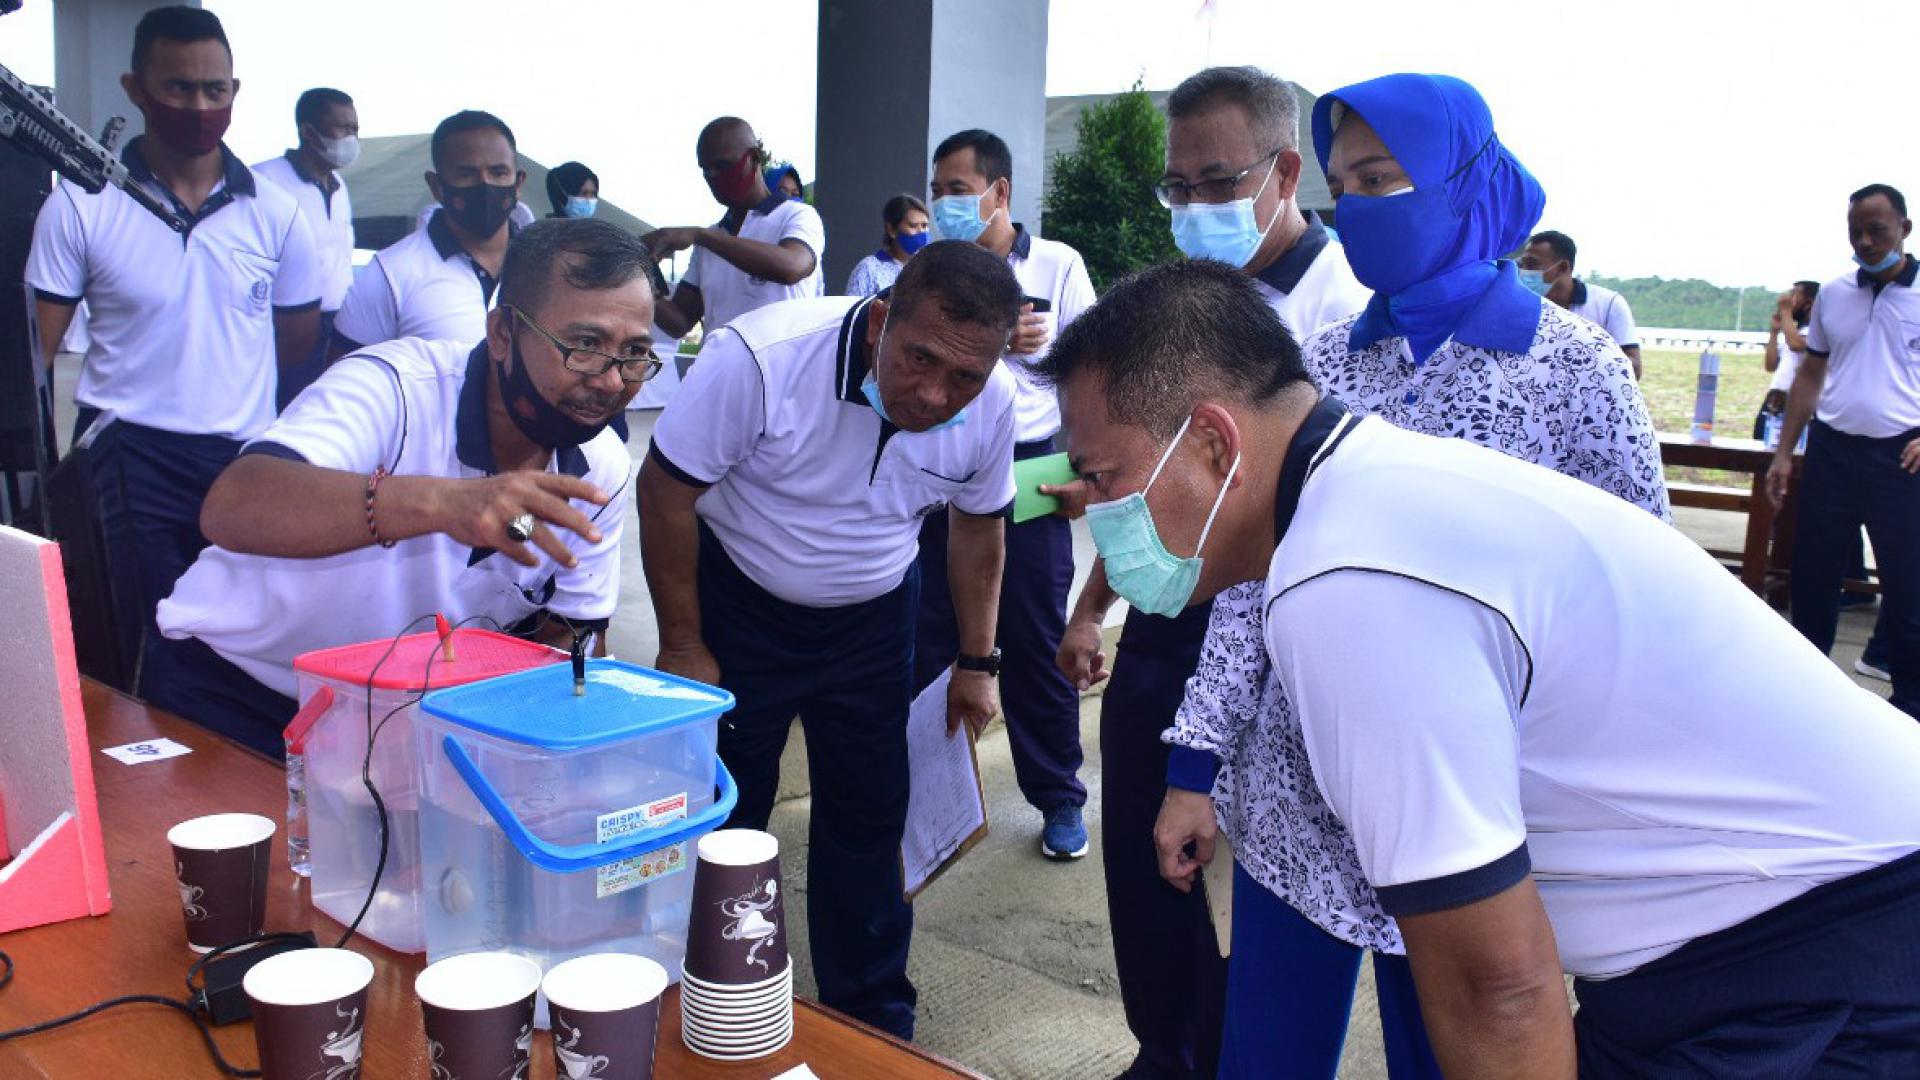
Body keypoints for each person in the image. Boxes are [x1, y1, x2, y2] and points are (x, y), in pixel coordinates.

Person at [1053, 257, 1920, 1077]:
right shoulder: (1370, 483)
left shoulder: (1350, 583)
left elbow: (1497, 990)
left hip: (1825, 941)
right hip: (1781, 918)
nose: (1094, 509)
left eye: (1102, 475)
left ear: (1213, 442)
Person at [1147, 74, 1670, 1079]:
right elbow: (1253, 585)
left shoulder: (1574, 370)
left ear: (1465, 182)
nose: (1359, 210)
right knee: (1265, 1059)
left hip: (1472, 824)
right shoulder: (1319, 367)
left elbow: (1633, 605)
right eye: (1345, 187)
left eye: (1384, 179)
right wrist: (1193, 769)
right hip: (1298, 804)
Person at [1055, 64, 1369, 1080]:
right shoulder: (1180, 306)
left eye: (1217, 183)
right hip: (1169, 617)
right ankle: (1164, 1048)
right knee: (1145, 861)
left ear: (1284, 173)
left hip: (1274, 636)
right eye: (1177, 188)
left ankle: (1222, 1056)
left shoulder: (1347, 316)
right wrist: (1093, 603)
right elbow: (1132, 476)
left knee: (1248, 890)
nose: (1195, 208)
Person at [638, 241, 1023, 1039]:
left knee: (871, 812)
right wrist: (682, 642)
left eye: (964, 376)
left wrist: (977, 661)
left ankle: (868, 1008)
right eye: (919, 359)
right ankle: (707, 986)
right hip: (742, 606)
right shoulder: (761, 359)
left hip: (876, 620)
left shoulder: (993, 402)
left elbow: (978, 530)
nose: (934, 394)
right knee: (724, 807)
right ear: (880, 321)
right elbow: (665, 493)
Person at [153, 220, 647, 755]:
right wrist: (438, 503)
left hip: (405, 727)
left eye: (635, 352)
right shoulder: (392, 388)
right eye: (585, 345)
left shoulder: (601, 466)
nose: (612, 379)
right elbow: (235, 504)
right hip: (236, 692)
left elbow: (571, 638)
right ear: (503, 333)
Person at [25, 5, 321, 704]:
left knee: (238, 648)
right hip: (125, 455)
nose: (198, 106)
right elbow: (37, 352)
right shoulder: (82, 204)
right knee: (136, 653)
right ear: (136, 89)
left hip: (242, 461)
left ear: (235, 91)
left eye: (214, 89)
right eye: (178, 88)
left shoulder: (277, 211)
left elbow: (297, 341)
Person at [917, 129, 1096, 860]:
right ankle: (931, 802)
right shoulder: (931, 270)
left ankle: (1058, 796)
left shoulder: (1058, 264)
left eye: (958, 190)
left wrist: (1088, 474)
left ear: (1000, 192)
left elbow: (1093, 372)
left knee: (1033, 637)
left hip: (1031, 470)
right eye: (938, 191)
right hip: (942, 465)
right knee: (930, 637)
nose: (945, 204)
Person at [1768, 182, 1920, 720]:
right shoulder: (1834, 293)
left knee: (1906, 582)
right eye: (1856, 231)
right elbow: (1811, 374)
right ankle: (1810, 700)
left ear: (1905, 228)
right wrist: (1784, 452)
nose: (1866, 241)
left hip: (1901, 455)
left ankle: (1910, 703)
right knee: (1813, 577)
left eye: (1877, 230)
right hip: (1832, 449)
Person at [332, 110, 526, 356]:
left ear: (518, 184)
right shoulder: (390, 273)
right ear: (436, 186)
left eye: (499, 173)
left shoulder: (546, 266)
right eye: (466, 175)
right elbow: (345, 371)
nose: (485, 184)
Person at [645, 117, 824, 338]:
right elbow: (680, 323)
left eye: (722, 166)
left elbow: (791, 266)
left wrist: (700, 235)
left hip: (784, 361)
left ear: (754, 159)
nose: (714, 177)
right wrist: (643, 277)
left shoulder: (797, 215)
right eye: (706, 170)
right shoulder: (712, 237)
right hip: (721, 361)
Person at [253, 87, 359, 407]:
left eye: (355, 129)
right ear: (308, 133)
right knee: (289, 409)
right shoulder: (265, 181)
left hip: (338, 324)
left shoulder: (339, 185)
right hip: (288, 325)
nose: (352, 138)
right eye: (343, 128)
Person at [1518, 229, 1642, 378]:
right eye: (1522, 264)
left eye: (1532, 264)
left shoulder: (1609, 304)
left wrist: (1582, 359)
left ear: (1563, 267)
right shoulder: (1524, 306)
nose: (1523, 271)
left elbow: (1634, 368)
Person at [1758, 280, 1819, 438]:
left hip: (1796, 400)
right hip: (1776, 397)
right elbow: (1771, 365)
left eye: (1795, 294)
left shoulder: (1816, 331)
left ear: (1810, 302)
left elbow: (1796, 345)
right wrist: (1774, 333)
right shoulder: (1794, 332)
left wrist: (1786, 312)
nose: (1790, 299)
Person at [845, 194, 930, 297]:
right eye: (913, 226)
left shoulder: (928, 269)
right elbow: (854, 305)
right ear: (891, 230)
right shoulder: (868, 269)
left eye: (924, 226)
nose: (921, 232)